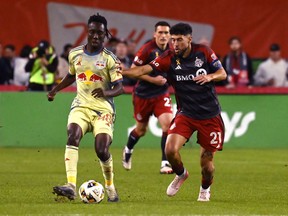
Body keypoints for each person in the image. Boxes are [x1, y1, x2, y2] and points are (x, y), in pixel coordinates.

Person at [121, 23, 227, 201]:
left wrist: (210, 76)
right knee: (170, 150)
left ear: (189, 39)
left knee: (207, 164)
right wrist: (121, 71)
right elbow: (142, 70)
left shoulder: (204, 52)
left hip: (210, 116)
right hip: (186, 114)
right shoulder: (168, 57)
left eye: (179, 40)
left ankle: (204, 189)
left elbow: (222, 73)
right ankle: (181, 174)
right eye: (173, 40)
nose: (175, 44)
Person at [47, 13, 124, 202]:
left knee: (102, 149)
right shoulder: (75, 54)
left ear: (105, 34)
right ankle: (71, 185)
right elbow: (72, 75)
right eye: (92, 32)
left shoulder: (110, 59)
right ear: (87, 32)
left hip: (103, 110)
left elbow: (120, 88)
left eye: (99, 33)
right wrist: (55, 89)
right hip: (81, 106)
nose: (95, 36)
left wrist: (106, 93)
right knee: (72, 135)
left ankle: (110, 186)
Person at [122, 21, 174, 174]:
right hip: (143, 95)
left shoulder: (173, 50)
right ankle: (128, 149)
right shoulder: (147, 49)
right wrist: (153, 80)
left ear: (170, 35)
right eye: (160, 33)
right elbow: (133, 71)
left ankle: (165, 163)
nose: (163, 36)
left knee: (168, 124)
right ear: (154, 34)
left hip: (161, 94)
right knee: (141, 129)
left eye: (166, 33)